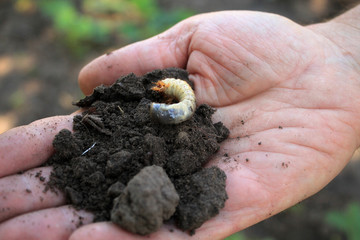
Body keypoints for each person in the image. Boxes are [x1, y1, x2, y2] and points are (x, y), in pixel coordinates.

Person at [0, 4, 359, 240]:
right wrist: (342, 47)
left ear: (171, 93)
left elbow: (176, 105)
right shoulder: (172, 93)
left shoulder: (176, 100)